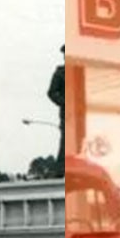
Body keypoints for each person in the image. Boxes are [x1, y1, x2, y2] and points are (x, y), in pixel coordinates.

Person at [49, 45, 65, 177]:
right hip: (68, 114)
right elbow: (52, 93)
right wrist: (65, 102)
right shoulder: (60, 73)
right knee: (66, 142)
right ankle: (59, 172)